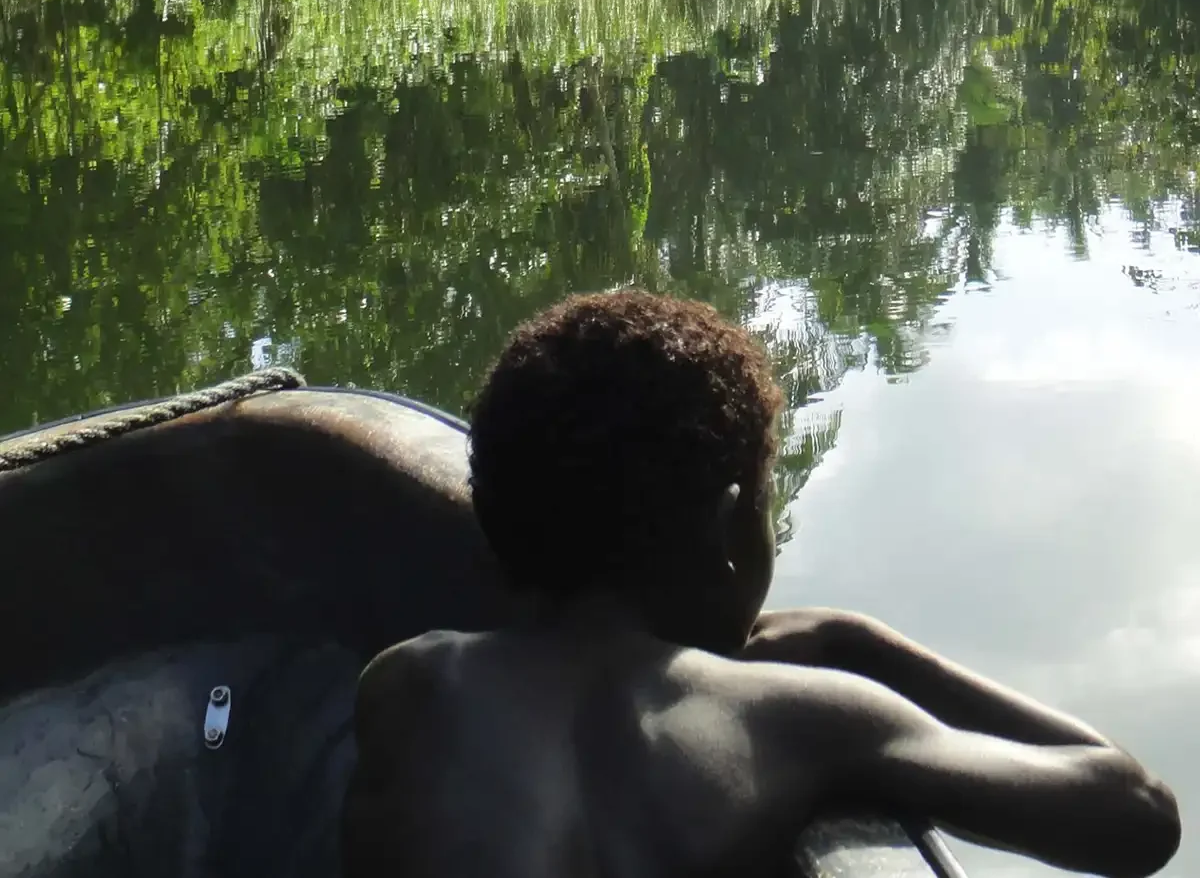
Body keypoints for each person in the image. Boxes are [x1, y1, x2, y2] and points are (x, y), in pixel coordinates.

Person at [341, 291, 1180, 878]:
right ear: (727, 525)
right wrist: (851, 643)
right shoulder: (800, 719)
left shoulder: (410, 681)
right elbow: (1135, 813)